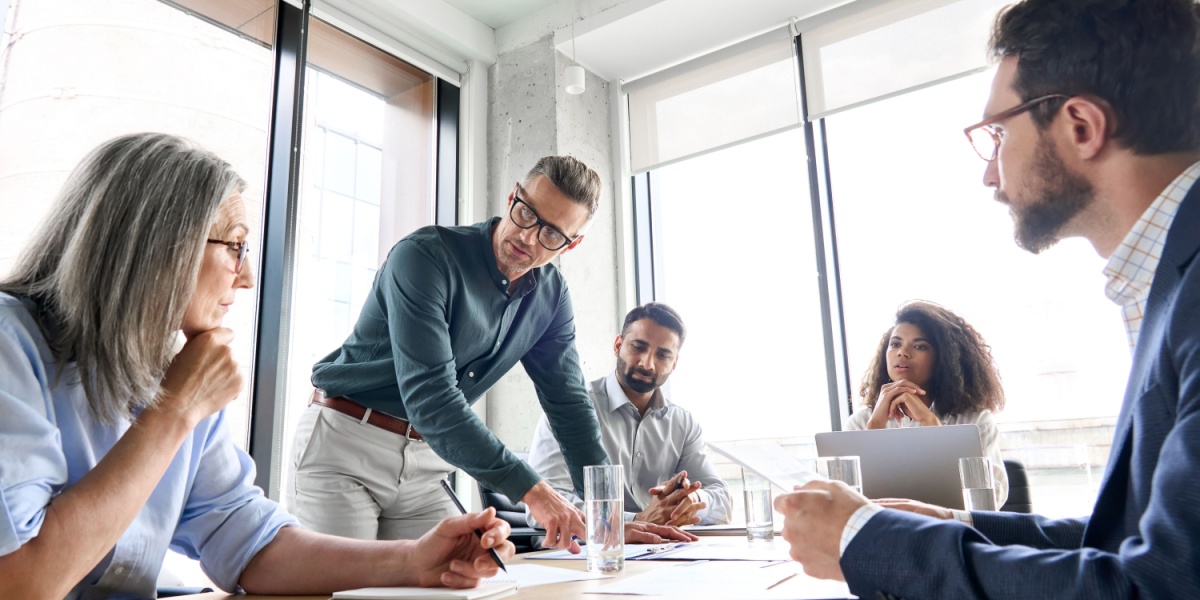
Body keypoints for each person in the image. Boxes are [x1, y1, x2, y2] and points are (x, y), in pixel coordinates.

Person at [774, 0, 1200, 597]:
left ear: (1081, 125)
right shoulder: (1166, 283)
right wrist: (961, 523)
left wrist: (864, 540)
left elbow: (1158, 588)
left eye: (997, 133)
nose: (989, 174)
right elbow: (1130, 542)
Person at [0, 133, 514, 599]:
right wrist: (176, 411)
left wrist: (413, 560)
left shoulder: (176, 372)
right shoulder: (11, 345)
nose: (247, 278)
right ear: (157, 247)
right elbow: (21, 581)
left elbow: (245, 539)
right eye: (236, 246)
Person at [291, 156, 690, 550]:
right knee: (343, 592)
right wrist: (534, 491)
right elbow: (433, 399)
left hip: (425, 464)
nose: (528, 238)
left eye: (552, 234)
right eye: (526, 214)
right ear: (513, 197)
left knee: (456, 588)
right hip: (346, 445)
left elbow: (569, 405)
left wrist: (609, 517)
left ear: (572, 244)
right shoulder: (425, 257)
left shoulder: (551, 296)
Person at [527, 302, 732, 528]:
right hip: (586, 552)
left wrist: (691, 501)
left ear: (674, 363)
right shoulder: (569, 408)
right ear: (618, 345)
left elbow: (722, 501)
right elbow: (545, 504)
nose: (647, 364)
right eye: (638, 347)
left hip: (659, 551)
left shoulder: (683, 423)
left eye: (663, 355)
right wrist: (635, 521)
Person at [847, 300, 1007, 506]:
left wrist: (931, 425)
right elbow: (847, 506)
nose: (902, 352)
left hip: (950, 532)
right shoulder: (861, 423)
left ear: (944, 358)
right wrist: (874, 431)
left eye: (919, 346)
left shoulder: (975, 421)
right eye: (895, 344)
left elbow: (989, 501)